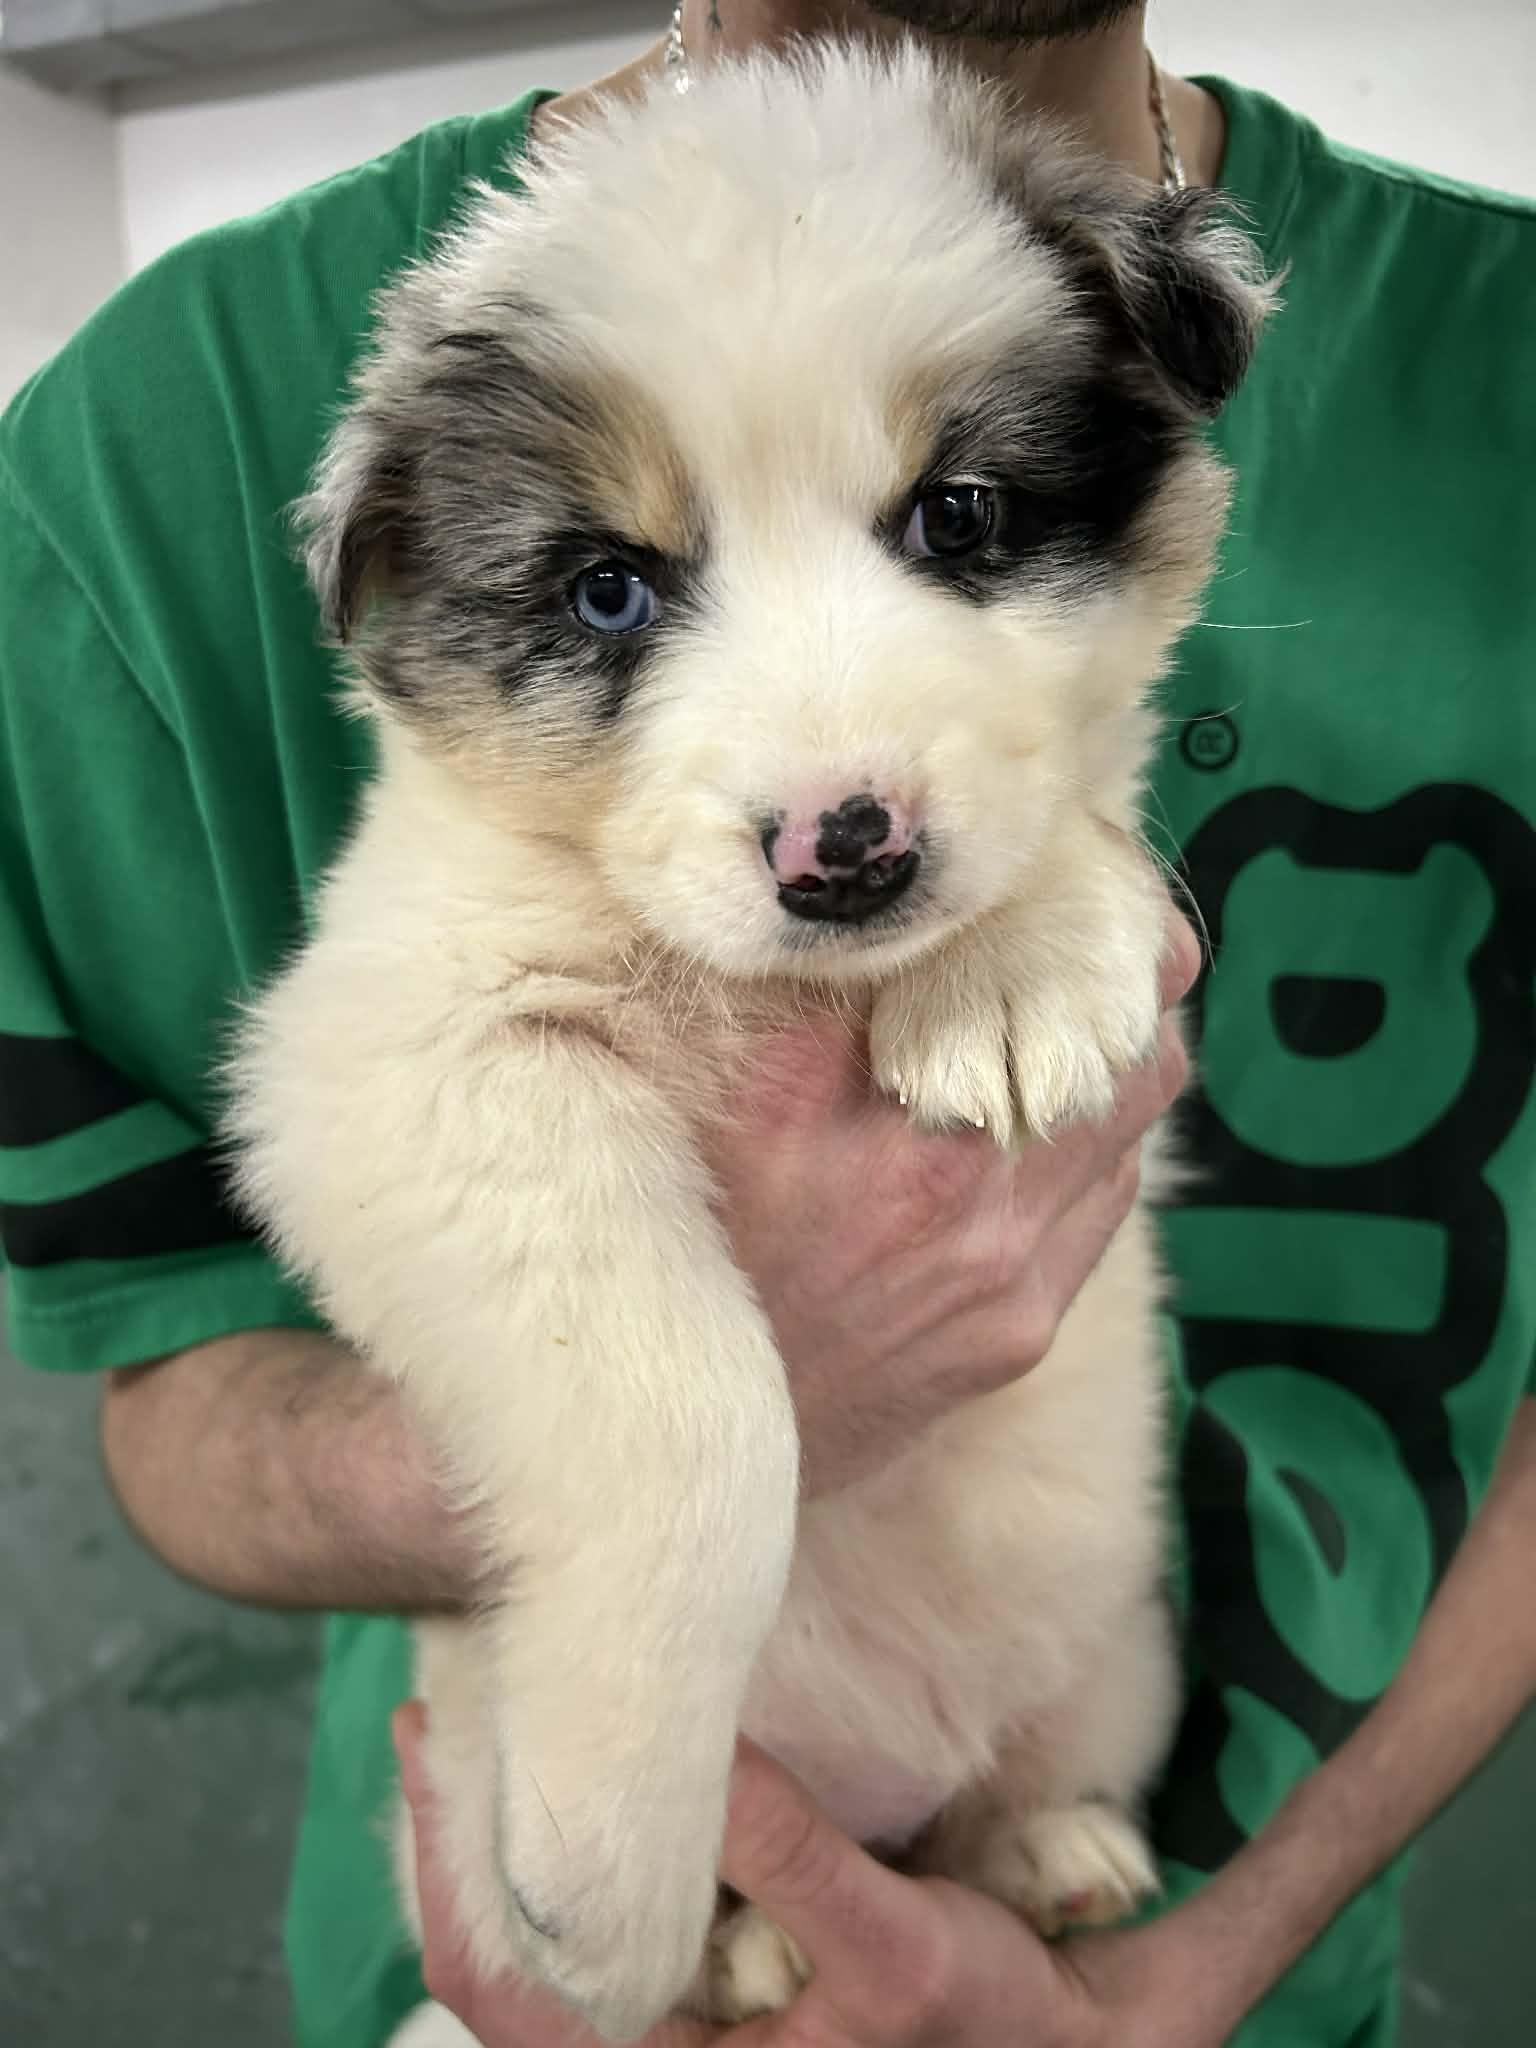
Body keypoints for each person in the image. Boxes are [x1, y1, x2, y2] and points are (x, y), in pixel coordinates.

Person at [0, 2, 1531, 2044]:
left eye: (957, 525)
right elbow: (179, 1352)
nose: (832, 777)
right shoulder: (145, 454)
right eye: (622, 595)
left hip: (1181, 1894)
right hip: (553, 1941)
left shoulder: (1440, 348)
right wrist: (681, 1444)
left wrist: (1194, 1978)